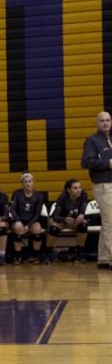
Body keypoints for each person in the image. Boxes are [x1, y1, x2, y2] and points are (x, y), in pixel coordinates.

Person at [81, 111, 112, 269]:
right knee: (110, 221)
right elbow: (86, 162)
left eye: (108, 120)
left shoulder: (110, 139)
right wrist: (107, 164)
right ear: (97, 123)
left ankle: (104, 258)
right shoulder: (92, 141)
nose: (105, 123)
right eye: (102, 121)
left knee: (108, 223)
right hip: (103, 185)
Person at [45, 178, 89, 263]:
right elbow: (55, 216)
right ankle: (48, 253)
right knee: (54, 228)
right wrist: (64, 219)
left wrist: (81, 215)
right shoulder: (63, 197)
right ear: (68, 190)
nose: (79, 190)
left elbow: (82, 210)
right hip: (60, 220)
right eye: (75, 188)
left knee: (83, 225)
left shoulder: (84, 195)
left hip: (73, 221)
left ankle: (80, 253)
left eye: (80, 187)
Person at [10, 173, 46, 264]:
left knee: (37, 229)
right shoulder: (17, 193)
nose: (28, 184)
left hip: (32, 221)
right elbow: (12, 209)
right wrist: (17, 220)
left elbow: (37, 214)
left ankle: (35, 255)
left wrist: (29, 225)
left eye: (30, 181)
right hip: (19, 220)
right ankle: (18, 256)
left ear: (33, 182)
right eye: (25, 182)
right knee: (19, 229)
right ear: (22, 183)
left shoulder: (39, 196)